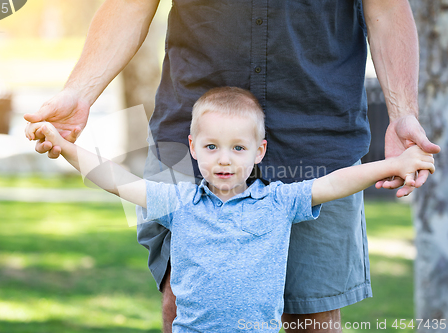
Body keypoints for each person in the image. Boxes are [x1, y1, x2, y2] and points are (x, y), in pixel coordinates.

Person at [24, 1, 441, 331]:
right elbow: (131, 4)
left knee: (312, 317)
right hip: (185, 122)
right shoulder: (182, 182)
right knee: (180, 300)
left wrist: (402, 116)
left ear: (257, 149)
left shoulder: (296, 191)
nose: (226, 162)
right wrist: (78, 95)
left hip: (319, 131)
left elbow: (387, 7)